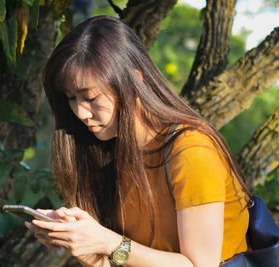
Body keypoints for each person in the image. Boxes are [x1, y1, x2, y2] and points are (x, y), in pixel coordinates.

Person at [25, 15, 251, 267]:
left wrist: (108, 242)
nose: (80, 113)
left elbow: (201, 265)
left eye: (89, 97)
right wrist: (90, 251)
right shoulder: (106, 148)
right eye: (71, 98)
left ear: (134, 81)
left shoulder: (192, 151)